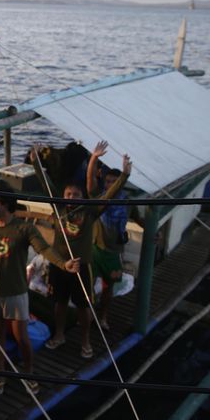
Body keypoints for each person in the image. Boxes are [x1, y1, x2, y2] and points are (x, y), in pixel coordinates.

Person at [0, 182, 79, 395]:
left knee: (21, 337)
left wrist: (64, 264)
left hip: (16, 293)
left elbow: (44, 249)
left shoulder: (24, 228)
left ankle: (28, 372)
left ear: (5, 204)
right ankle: (0, 373)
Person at [33, 143, 131, 359]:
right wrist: (36, 160)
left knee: (83, 307)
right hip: (59, 265)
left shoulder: (90, 211)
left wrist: (124, 175)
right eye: (67, 194)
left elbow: (107, 196)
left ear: (81, 196)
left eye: (75, 194)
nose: (70, 197)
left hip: (82, 267)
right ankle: (59, 335)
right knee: (58, 303)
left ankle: (85, 341)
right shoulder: (59, 209)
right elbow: (45, 183)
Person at [86, 141, 130, 331]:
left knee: (107, 288)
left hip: (113, 252)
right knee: (88, 287)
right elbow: (90, 181)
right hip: (96, 249)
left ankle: (102, 317)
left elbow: (141, 219)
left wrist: (156, 233)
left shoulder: (126, 202)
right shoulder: (99, 198)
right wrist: (94, 158)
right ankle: (86, 317)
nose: (109, 184)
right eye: (108, 181)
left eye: (114, 181)